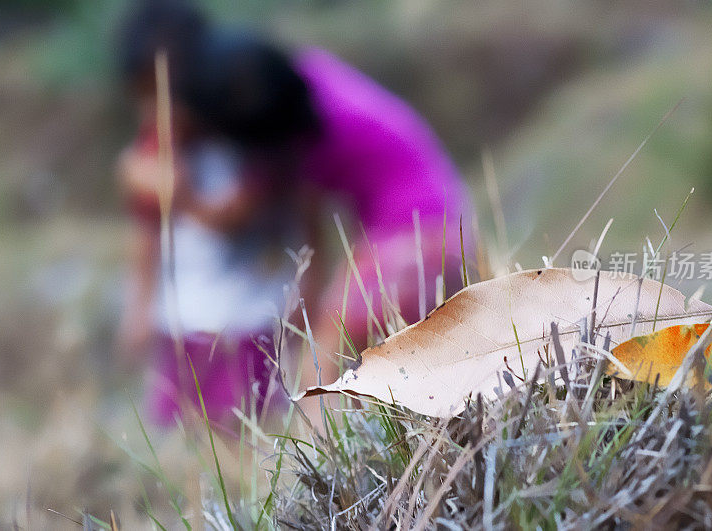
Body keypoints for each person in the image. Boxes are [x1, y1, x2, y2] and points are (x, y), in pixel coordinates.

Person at [183, 32, 473, 399]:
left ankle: (324, 448)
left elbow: (295, 239)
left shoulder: (305, 139)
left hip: (422, 234)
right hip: (444, 213)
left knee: (324, 358)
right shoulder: (301, 78)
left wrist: (180, 197)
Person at [116, 2, 298, 426]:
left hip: (254, 321)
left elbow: (234, 217)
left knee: (255, 432)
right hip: (184, 325)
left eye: (170, 96)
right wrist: (139, 306)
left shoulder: (251, 125)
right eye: (147, 98)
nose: (159, 111)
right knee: (185, 439)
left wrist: (177, 193)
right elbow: (145, 228)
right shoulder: (155, 148)